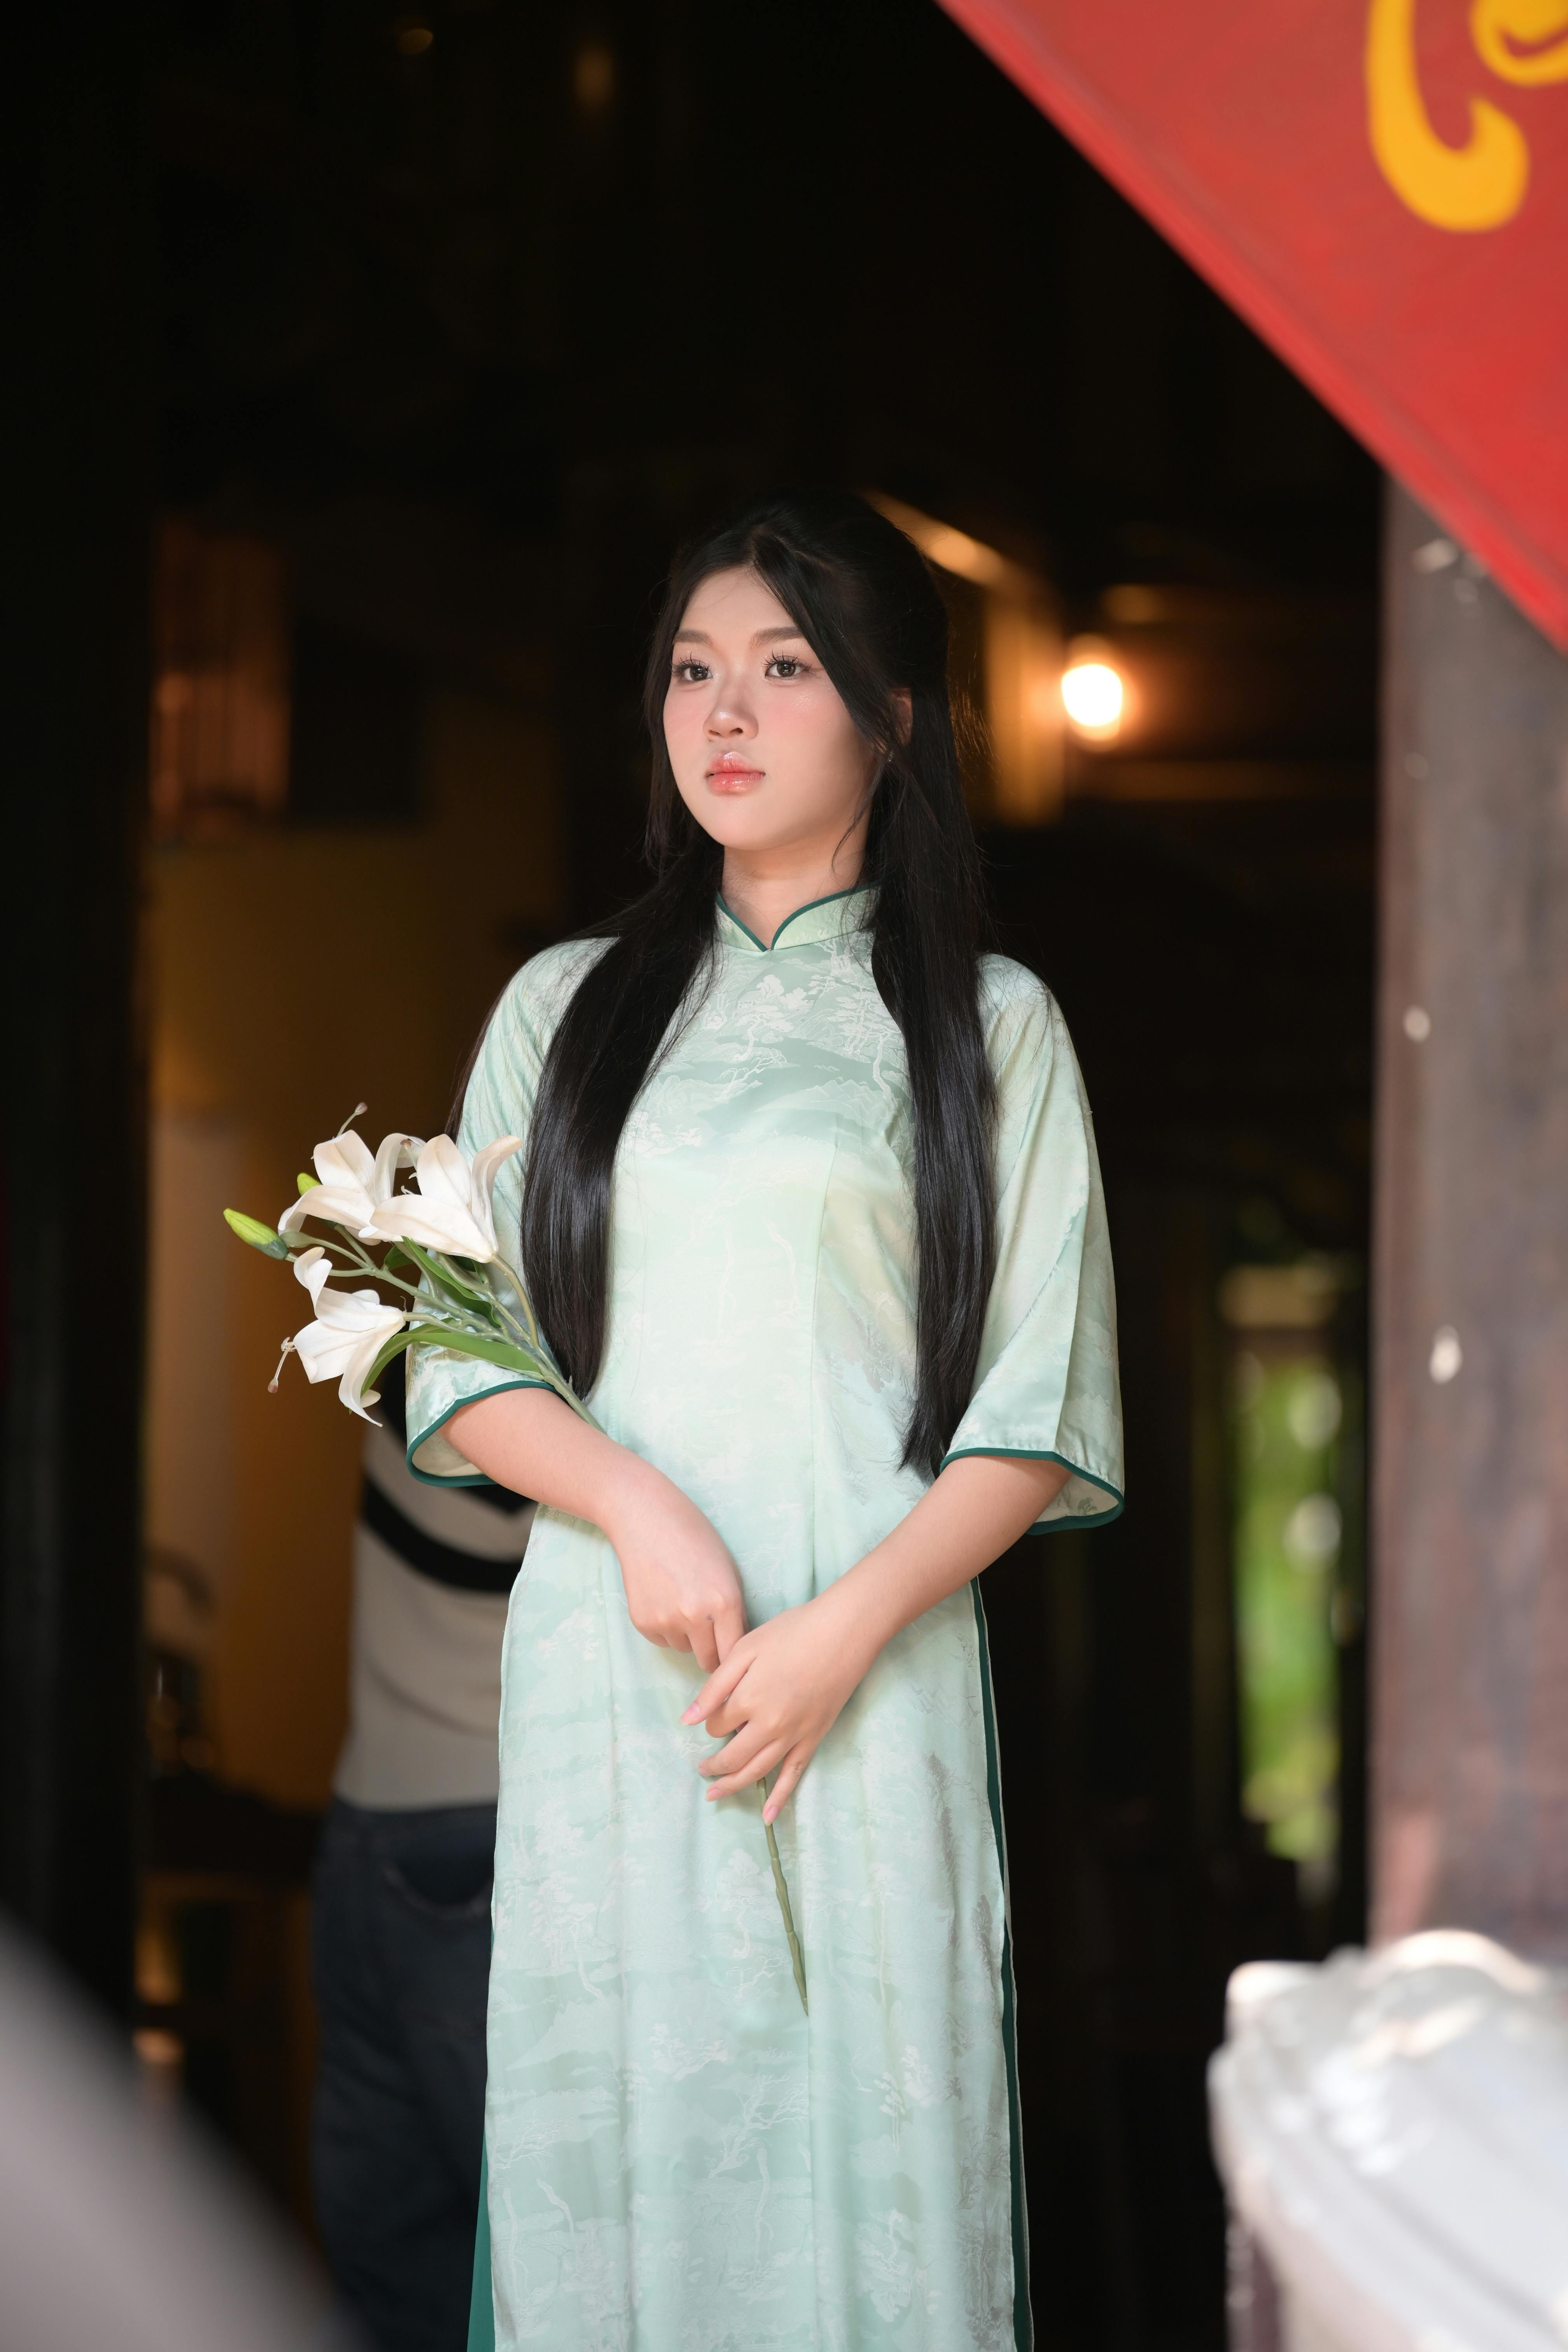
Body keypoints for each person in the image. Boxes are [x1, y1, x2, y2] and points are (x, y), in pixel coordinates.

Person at [406, 491, 1124, 2351]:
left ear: (892, 722)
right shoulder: (564, 1012)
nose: (722, 714)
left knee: (862, 2158)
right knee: (620, 2152)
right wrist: (633, 1504)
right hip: (615, 1679)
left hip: (861, 1679)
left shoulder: (985, 1026)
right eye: (693, 671)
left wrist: (837, 1639)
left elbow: (1031, 1415)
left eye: (786, 671)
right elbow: (459, 1349)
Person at [311, 1358, 534, 2352]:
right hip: (480, 1833)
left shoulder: (419, 1371)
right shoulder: (521, 1406)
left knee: (393, 2266)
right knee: (527, 2249)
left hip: (365, 1824)